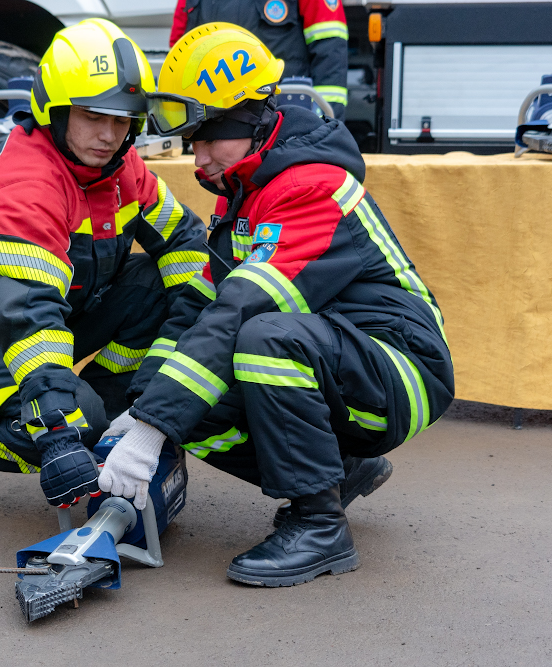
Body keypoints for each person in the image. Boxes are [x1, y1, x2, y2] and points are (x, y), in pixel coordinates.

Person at [99, 23, 454, 587]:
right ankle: (339, 472)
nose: (197, 157)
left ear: (248, 120)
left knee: (264, 338)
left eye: (206, 135)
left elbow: (240, 309)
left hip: (402, 370)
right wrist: (145, 410)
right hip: (344, 366)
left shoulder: (309, 187)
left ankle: (319, 527)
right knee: (192, 406)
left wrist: (148, 431)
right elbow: (197, 308)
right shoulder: (247, 199)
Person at [0, 19, 207, 511]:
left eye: (122, 120)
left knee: (155, 284)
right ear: (55, 112)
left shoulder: (123, 168)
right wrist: (60, 432)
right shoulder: (28, 182)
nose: (109, 135)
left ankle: (108, 418)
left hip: (54, 311)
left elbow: (186, 245)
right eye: (92, 116)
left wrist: (167, 375)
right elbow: (28, 312)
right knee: (67, 422)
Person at [170, 0, 349, 120]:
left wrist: (327, 122)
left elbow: (330, 53)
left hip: (283, 121)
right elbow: (179, 58)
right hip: (212, 122)